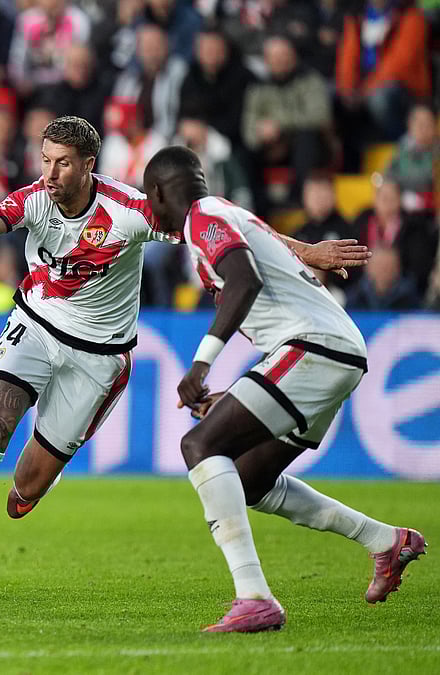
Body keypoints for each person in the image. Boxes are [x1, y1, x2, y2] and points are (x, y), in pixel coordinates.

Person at [0, 116, 365, 602]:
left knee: (25, 492)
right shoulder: (34, 198)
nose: (51, 175)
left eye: (63, 165)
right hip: (35, 322)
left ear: (88, 166)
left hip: (99, 357)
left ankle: (36, 480)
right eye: (46, 161)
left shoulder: (130, 211)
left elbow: (223, 230)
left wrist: (307, 250)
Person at [142, 145, 426, 633]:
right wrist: (229, 394)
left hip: (314, 347)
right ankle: (385, 541)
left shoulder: (202, 218)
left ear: (158, 193)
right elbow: (265, 255)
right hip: (329, 350)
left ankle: (254, 597)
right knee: (249, 480)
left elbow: (243, 282)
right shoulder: (225, 213)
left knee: (200, 444)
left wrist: (200, 366)